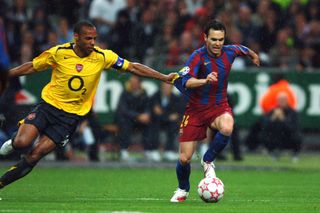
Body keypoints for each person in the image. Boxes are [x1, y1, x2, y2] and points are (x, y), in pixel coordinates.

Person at [0, 20, 176, 189]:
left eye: (95, 38)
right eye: (88, 38)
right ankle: (13, 142)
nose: (93, 42)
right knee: (23, 142)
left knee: (34, 155)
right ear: (76, 37)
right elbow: (32, 66)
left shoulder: (102, 56)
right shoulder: (59, 52)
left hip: (69, 118)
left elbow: (133, 67)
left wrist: (162, 77)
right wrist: (6, 75)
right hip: (48, 106)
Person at [170, 19, 260, 202]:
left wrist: (253, 55)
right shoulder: (197, 56)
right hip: (195, 110)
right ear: (205, 38)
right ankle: (182, 189)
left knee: (227, 127)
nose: (218, 43)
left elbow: (242, 48)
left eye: (221, 39)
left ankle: (208, 160)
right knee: (185, 158)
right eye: (214, 39)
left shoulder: (230, 51)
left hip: (219, 106)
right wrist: (204, 80)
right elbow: (185, 81)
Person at [114, 75, 159, 162]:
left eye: (135, 83)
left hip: (140, 120)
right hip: (129, 119)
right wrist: (137, 116)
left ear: (139, 83)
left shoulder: (143, 93)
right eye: (131, 83)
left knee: (150, 123)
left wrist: (146, 114)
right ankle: (124, 150)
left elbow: (147, 106)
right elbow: (123, 110)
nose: (133, 84)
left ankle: (149, 150)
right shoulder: (125, 93)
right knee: (124, 123)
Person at [149, 82, 184, 161]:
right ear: (162, 88)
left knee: (173, 125)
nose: (166, 90)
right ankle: (153, 150)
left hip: (168, 123)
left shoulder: (175, 98)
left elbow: (176, 114)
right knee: (153, 124)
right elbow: (154, 112)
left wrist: (163, 114)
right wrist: (167, 116)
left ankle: (169, 150)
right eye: (165, 88)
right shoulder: (155, 96)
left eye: (169, 88)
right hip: (156, 121)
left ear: (171, 89)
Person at [261, 92, 302, 162]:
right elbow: (265, 126)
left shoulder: (293, 113)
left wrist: (283, 119)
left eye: (283, 100)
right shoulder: (272, 112)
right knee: (265, 135)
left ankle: (295, 155)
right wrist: (273, 118)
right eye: (280, 100)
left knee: (297, 136)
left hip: (289, 137)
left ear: (287, 101)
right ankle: (274, 153)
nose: (281, 102)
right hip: (276, 137)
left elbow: (293, 128)